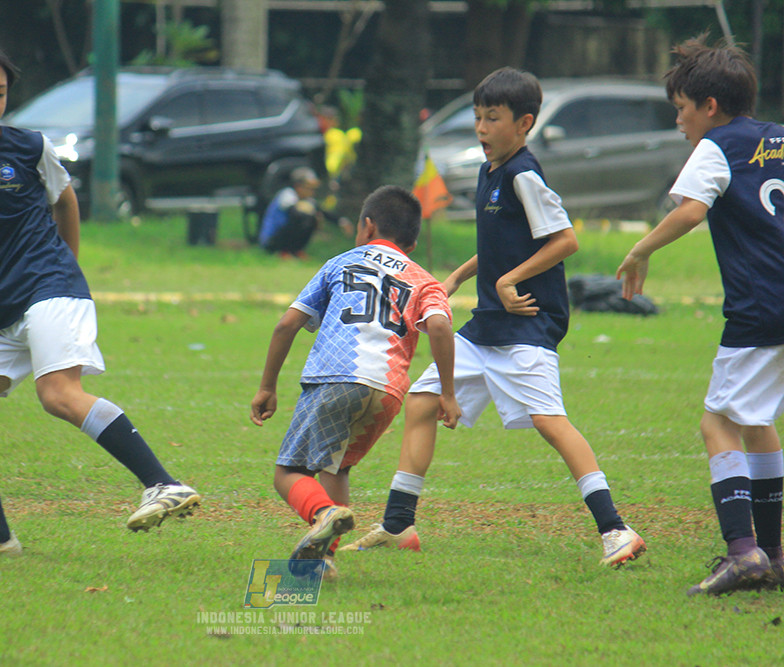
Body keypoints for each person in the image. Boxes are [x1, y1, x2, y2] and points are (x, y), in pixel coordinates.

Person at [0, 39, 200, 557]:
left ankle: (164, 483)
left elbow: (65, 200)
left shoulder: (29, 148)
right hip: (3, 309)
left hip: (50, 288)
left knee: (58, 394)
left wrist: (67, 269)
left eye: (0, 93)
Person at [341, 67, 647, 568]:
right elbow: (502, 244)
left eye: (493, 118)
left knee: (551, 423)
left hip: (527, 324)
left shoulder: (524, 174)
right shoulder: (491, 172)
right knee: (422, 402)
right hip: (488, 326)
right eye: (478, 117)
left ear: (524, 123)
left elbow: (565, 240)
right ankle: (398, 526)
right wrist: (458, 277)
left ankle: (616, 529)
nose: (481, 128)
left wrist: (508, 282)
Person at [617, 36, 784, 596]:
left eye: (682, 109)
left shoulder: (717, 145)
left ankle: (743, 553)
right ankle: (774, 554)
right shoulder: (780, 138)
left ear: (709, 106)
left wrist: (640, 250)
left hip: (761, 307)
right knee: (756, 423)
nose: (679, 122)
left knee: (717, 423)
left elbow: (691, 210)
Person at [250, 185, 461, 580]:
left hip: (335, 376)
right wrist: (447, 393)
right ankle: (323, 561)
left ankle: (323, 513)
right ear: (412, 244)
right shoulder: (424, 279)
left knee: (289, 473)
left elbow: (286, 325)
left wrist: (267, 387)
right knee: (338, 467)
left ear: (367, 226)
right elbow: (438, 326)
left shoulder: (340, 263)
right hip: (388, 390)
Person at [258, 167, 352, 258]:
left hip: (284, 235)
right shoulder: (287, 195)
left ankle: (296, 250)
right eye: (310, 188)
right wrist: (315, 218)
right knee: (305, 218)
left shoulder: (306, 199)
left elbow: (323, 212)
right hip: (271, 240)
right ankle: (284, 251)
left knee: (310, 219)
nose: (313, 192)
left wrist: (341, 221)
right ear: (298, 186)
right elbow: (296, 214)